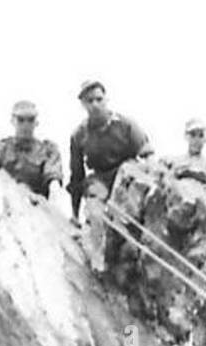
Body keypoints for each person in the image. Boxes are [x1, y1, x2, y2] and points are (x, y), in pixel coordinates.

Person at [68, 79, 153, 270]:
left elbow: (147, 154)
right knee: (94, 202)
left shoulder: (126, 124)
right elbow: (77, 176)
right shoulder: (79, 135)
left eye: (99, 99)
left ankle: (130, 239)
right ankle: (98, 261)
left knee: (128, 188)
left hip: (127, 175)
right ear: (83, 104)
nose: (95, 105)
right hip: (101, 178)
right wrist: (74, 213)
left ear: (106, 99)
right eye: (90, 101)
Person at [0, 100, 63, 200]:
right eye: (21, 120)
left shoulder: (47, 151)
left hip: (36, 208)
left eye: (30, 120)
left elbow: (54, 183)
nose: (26, 125)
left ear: (36, 122)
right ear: (13, 121)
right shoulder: (0, 149)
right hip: (7, 204)